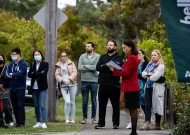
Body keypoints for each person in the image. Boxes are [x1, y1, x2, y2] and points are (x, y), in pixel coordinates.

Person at [111, 40, 140, 135]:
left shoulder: (132, 58)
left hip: (132, 87)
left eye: (125, 47)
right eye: (122, 48)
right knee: (131, 109)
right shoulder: (128, 58)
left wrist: (115, 71)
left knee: (133, 109)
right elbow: (123, 69)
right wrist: (115, 68)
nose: (123, 49)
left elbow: (126, 72)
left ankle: (134, 131)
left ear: (130, 47)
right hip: (128, 87)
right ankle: (133, 131)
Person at [95, 40, 123, 129]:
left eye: (111, 45)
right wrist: (108, 66)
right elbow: (97, 67)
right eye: (108, 45)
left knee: (115, 105)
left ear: (115, 47)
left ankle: (115, 123)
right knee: (102, 105)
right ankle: (101, 123)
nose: (109, 46)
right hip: (103, 84)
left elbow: (116, 66)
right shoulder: (102, 57)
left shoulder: (118, 57)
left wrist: (104, 66)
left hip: (114, 85)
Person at [139, 49, 165, 130]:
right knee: (147, 105)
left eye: (155, 55)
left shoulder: (161, 66)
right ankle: (147, 123)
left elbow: (155, 77)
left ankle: (157, 124)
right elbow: (143, 74)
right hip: (148, 87)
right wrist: (150, 74)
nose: (153, 57)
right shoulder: (149, 64)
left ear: (159, 56)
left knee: (157, 105)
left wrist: (149, 75)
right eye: (152, 55)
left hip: (156, 87)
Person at [126, 49, 149, 129]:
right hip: (134, 85)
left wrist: (136, 75)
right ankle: (131, 122)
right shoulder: (136, 63)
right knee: (133, 105)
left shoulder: (146, 63)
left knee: (143, 104)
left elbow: (145, 75)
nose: (138, 55)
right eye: (137, 54)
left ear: (143, 55)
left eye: (139, 53)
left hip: (143, 86)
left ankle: (147, 121)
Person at [78, 42, 100, 124]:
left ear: (93, 48)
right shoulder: (82, 56)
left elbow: (97, 67)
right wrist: (90, 67)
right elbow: (80, 67)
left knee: (94, 100)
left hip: (94, 81)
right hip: (84, 81)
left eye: (88, 46)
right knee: (84, 100)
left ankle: (94, 118)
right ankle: (84, 118)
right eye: (86, 46)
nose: (87, 48)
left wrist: (85, 66)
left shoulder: (97, 56)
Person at [6, 48, 27, 128]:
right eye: (12, 55)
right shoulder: (10, 65)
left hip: (20, 88)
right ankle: (17, 122)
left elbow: (21, 74)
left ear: (18, 55)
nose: (13, 56)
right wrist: (14, 75)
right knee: (14, 106)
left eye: (14, 55)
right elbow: (7, 75)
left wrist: (13, 75)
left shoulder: (23, 64)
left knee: (20, 105)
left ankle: (22, 123)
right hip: (12, 88)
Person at [28, 50, 49, 128]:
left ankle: (43, 122)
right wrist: (38, 74)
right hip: (34, 87)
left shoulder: (45, 64)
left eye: (38, 54)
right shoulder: (32, 64)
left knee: (42, 105)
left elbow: (44, 74)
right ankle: (38, 121)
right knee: (36, 105)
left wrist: (35, 73)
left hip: (42, 87)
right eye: (35, 55)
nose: (37, 56)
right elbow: (29, 74)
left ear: (41, 55)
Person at [55, 51, 78, 124]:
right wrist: (62, 80)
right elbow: (56, 75)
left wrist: (70, 79)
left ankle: (72, 119)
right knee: (67, 102)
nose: (63, 57)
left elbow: (75, 72)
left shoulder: (72, 63)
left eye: (64, 56)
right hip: (63, 86)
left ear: (67, 56)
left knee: (72, 102)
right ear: (60, 57)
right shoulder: (58, 65)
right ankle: (66, 118)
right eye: (62, 56)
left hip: (72, 85)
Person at [0, 54, 14, 129]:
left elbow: (9, 78)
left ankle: (9, 121)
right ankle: (1, 121)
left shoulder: (7, 68)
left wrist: (3, 85)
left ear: (3, 59)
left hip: (5, 89)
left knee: (6, 106)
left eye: (1, 58)